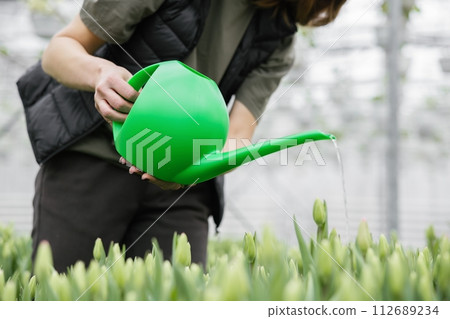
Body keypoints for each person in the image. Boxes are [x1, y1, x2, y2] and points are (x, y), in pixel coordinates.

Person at [17, 0, 347, 272]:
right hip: (91, 160)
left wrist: (189, 175)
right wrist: (99, 74)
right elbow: (59, 50)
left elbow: (238, 135)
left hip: (181, 190)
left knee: (177, 292)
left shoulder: (279, 39)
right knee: (60, 292)